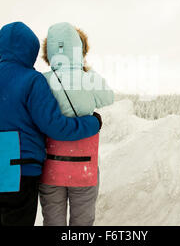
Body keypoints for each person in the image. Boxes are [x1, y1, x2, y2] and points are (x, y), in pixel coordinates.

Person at [0, 21, 102, 226]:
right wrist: (92, 123)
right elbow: (54, 126)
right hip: (21, 172)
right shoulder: (32, 80)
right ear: (31, 49)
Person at [39, 22, 114, 226]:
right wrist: (84, 71)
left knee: (52, 221)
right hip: (84, 167)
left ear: (49, 51)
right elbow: (108, 98)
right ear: (79, 49)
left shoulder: (41, 81)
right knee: (82, 224)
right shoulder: (88, 78)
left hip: (51, 166)